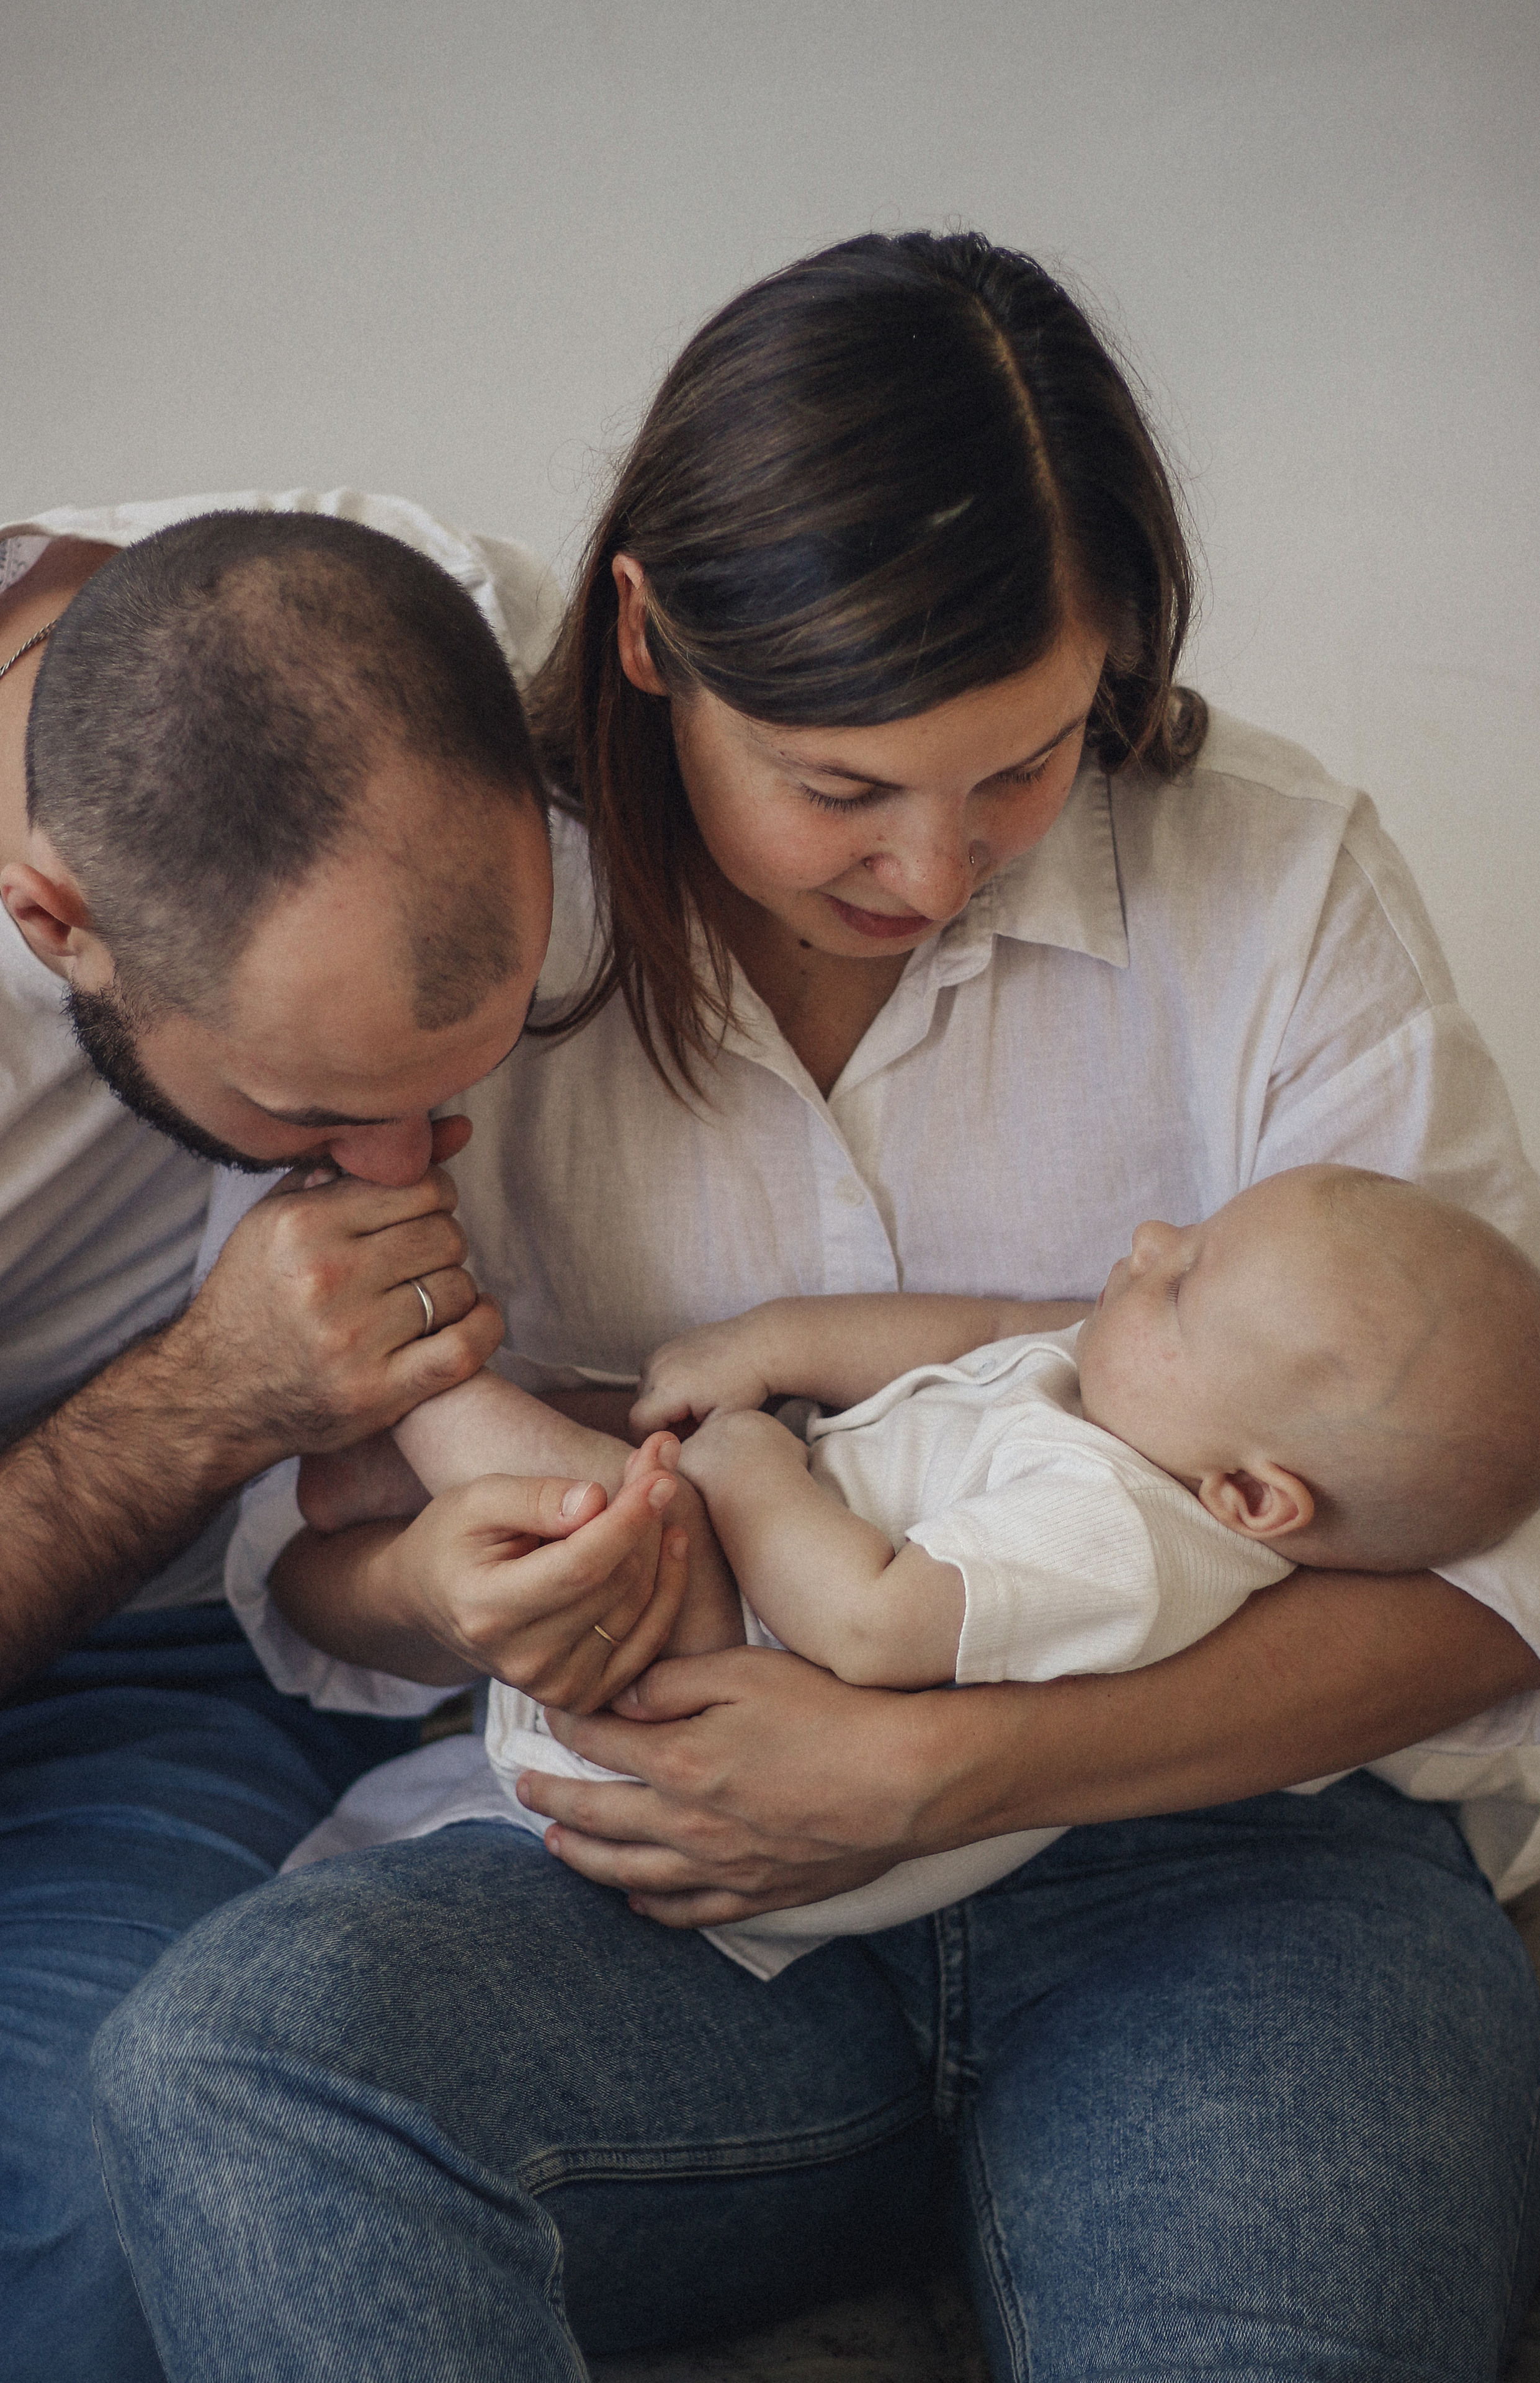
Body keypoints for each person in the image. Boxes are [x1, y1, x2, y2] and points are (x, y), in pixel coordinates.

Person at [92, 234, 1540, 2381]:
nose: (937, 866)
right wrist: (449, 1585)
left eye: (1024, 766)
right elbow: (311, 1561)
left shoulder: (1268, 876)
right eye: (842, 786)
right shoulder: (470, 919)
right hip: (657, 1883)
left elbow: (1512, 1555)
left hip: (1233, 1875)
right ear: (647, 638)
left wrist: (944, 1769)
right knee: (232, 2073)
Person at [0, 495, 688, 2383]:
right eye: (318, 1105)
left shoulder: (414, 612)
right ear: (55, 918)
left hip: (162, 1677)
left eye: (462, 1082)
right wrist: (213, 1392)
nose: (408, 1174)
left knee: (104, 2219)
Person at [293, 1160, 1540, 1982]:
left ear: (1250, 1499)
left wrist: (749, 1467)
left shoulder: (1121, 1539)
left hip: (719, 1715)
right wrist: (775, 1342)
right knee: (621, 1468)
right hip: (741, 1598)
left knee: (611, 1497)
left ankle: (412, 1379)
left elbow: (867, 1628)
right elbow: (980, 1333)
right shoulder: (1144, 1398)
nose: (1143, 1240)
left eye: (1181, 1282)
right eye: (1183, 1233)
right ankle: (402, 1462)